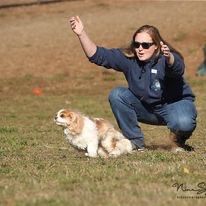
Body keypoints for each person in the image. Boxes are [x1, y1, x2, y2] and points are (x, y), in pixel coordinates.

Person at [69, 16, 197, 152]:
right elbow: (97, 55)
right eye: (137, 44)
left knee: (184, 123)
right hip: (148, 110)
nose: (140, 49)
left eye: (145, 45)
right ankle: (134, 142)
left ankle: (178, 139)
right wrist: (81, 34)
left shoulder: (165, 59)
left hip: (174, 108)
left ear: (156, 46)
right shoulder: (130, 59)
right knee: (117, 94)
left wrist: (169, 57)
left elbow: (177, 68)